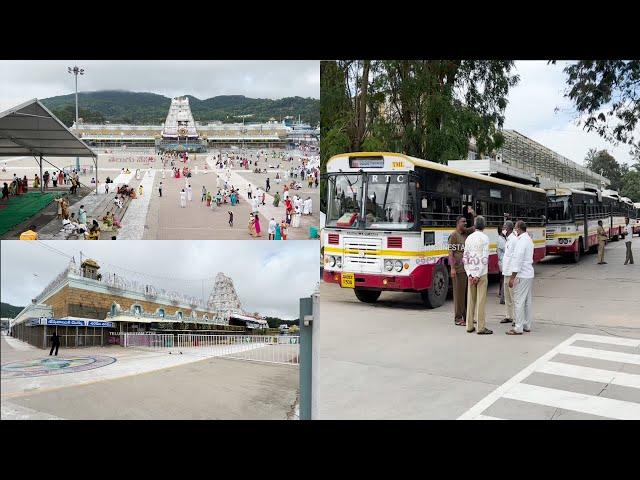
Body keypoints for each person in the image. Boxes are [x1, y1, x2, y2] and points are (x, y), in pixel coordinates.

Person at [464, 215, 491, 335]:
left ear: (474, 226)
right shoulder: (485, 238)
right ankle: (480, 327)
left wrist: (470, 274)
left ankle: (469, 326)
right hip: (481, 274)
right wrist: (478, 275)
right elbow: (484, 258)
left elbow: (466, 258)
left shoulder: (469, 238)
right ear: (484, 226)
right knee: (481, 301)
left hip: (470, 273)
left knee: (470, 300)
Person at [506, 221, 535, 335]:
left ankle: (518, 327)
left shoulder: (521, 241)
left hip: (522, 275)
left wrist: (512, 277)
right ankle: (527, 325)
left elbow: (518, 260)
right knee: (527, 301)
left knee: (518, 301)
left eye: (515, 228)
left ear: (518, 229)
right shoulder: (528, 239)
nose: (515, 230)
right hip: (528, 274)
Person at [447, 213, 475, 326]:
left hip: (467, 269)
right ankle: (458, 318)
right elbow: (450, 253)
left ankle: (467, 317)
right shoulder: (454, 235)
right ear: (458, 223)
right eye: (463, 222)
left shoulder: (465, 233)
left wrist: (473, 214)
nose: (465, 223)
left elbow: (476, 226)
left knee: (467, 294)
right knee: (459, 295)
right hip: (458, 269)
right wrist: (452, 268)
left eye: (466, 222)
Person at [500, 220, 517, 325]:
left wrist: (513, 275)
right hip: (506, 273)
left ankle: (516, 318)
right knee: (507, 297)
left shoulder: (514, 240)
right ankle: (509, 316)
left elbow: (515, 258)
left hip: (511, 273)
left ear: (510, 229)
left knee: (513, 296)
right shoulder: (508, 240)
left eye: (504, 227)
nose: (503, 229)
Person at [497, 225, 507, 304]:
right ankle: (502, 297)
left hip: (502, 261)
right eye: (504, 229)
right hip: (502, 262)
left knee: (502, 279)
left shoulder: (503, 238)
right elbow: (506, 248)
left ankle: (501, 293)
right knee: (503, 279)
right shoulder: (501, 240)